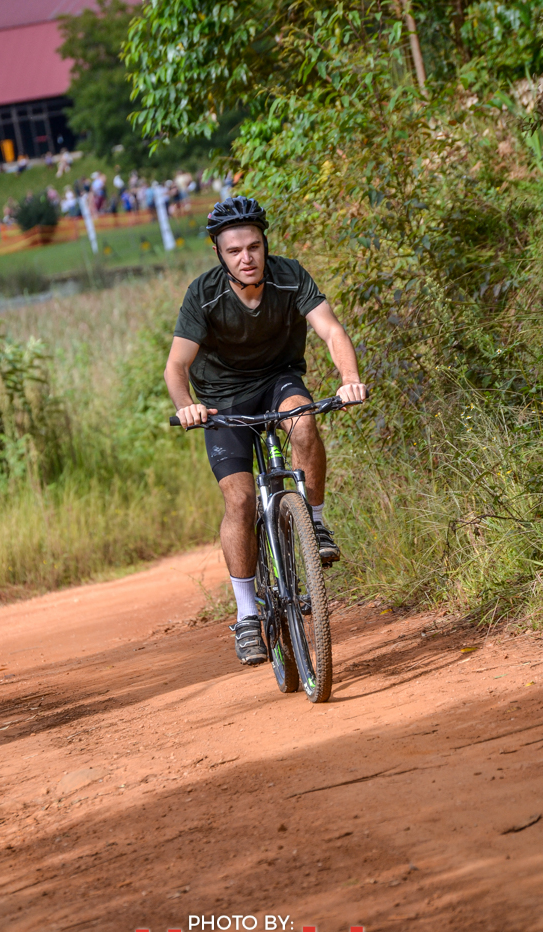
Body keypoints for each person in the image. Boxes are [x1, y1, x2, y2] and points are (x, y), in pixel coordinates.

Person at [164, 196, 367, 665]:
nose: (246, 258)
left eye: (253, 247)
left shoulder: (289, 275)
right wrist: (187, 406)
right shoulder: (203, 294)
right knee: (239, 500)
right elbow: (176, 366)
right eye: (234, 251)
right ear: (219, 253)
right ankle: (247, 615)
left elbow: (331, 330)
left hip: (279, 380)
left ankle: (314, 523)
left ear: (265, 244)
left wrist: (349, 378)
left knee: (303, 421)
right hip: (221, 399)